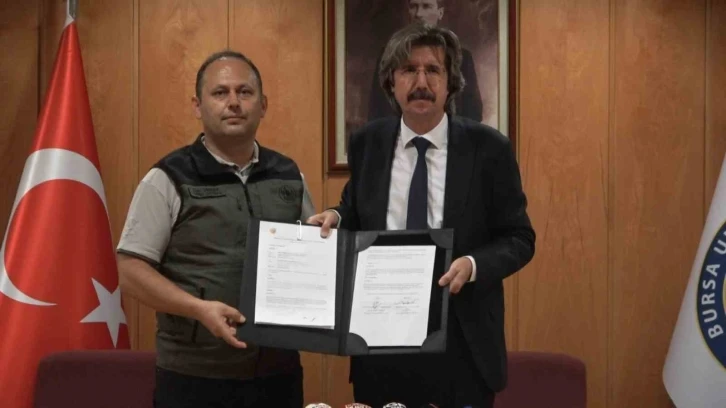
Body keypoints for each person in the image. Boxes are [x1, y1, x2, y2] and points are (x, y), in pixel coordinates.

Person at [308, 23, 535, 408]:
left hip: (462, 345)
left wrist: (473, 264)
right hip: (381, 343)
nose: (421, 82)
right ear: (391, 82)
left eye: (433, 70)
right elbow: (355, 209)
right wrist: (335, 215)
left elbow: (519, 238)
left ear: (450, 83)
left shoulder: (488, 148)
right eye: (409, 70)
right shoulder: (368, 143)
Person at [116, 50, 315, 408]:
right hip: (194, 376)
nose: (234, 102)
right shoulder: (168, 178)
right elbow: (129, 271)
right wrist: (198, 308)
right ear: (198, 105)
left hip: (278, 374)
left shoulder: (289, 175)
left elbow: (313, 261)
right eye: (220, 92)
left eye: (245, 92)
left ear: (263, 105)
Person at [367, 0, 483, 122]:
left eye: (426, 6)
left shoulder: (462, 57)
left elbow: (473, 113)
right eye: (413, 6)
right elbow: (376, 110)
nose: (419, 14)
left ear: (440, 13)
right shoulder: (388, 54)